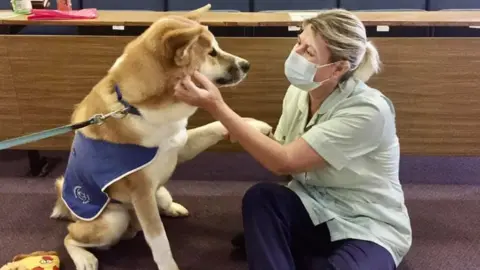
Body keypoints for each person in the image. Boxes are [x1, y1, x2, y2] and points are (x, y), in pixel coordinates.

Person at [174, 8, 412, 270]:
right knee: (262, 197)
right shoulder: (299, 92)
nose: (295, 53)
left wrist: (218, 108)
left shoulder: (368, 110)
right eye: (299, 42)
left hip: (365, 223)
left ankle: (293, 254)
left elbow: (284, 162)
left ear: (339, 68)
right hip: (312, 206)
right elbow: (283, 151)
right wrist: (245, 131)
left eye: (308, 52)